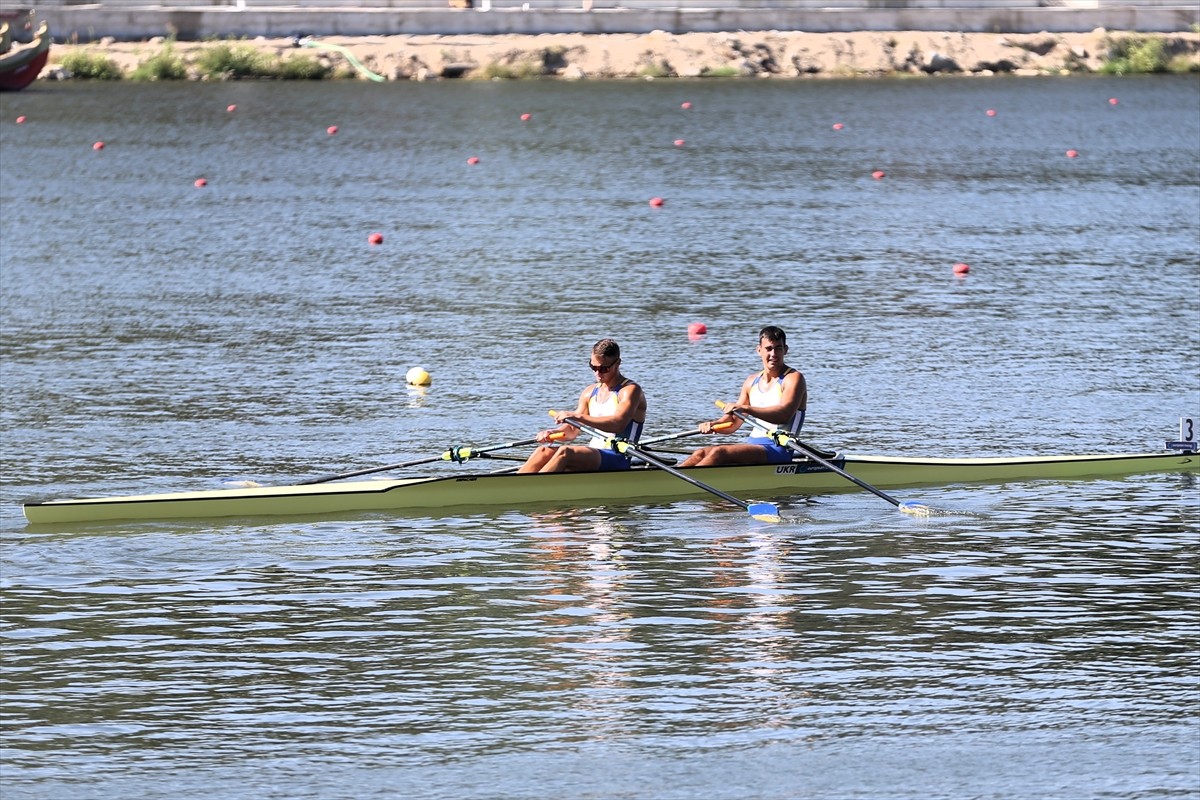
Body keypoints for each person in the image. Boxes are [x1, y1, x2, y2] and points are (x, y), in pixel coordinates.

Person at [680, 325, 807, 467]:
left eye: (778, 348)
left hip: (779, 448)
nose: (774, 354)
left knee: (719, 453)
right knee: (700, 453)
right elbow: (734, 423)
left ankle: (679, 486)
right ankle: (672, 481)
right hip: (754, 445)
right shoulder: (751, 381)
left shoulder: (793, 378)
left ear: (786, 350)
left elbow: (784, 415)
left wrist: (745, 408)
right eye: (769, 349)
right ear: (759, 350)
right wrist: (714, 425)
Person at [517, 338, 647, 474]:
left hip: (618, 455)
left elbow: (617, 424)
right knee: (543, 451)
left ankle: (533, 490)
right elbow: (573, 430)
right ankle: (514, 486)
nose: (597, 373)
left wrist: (577, 416)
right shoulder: (589, 392)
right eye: (593, 367)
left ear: (618, 363)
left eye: (604, 368)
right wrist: (553, 433)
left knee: (566, 452)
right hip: (595, 454)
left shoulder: (630, 390)